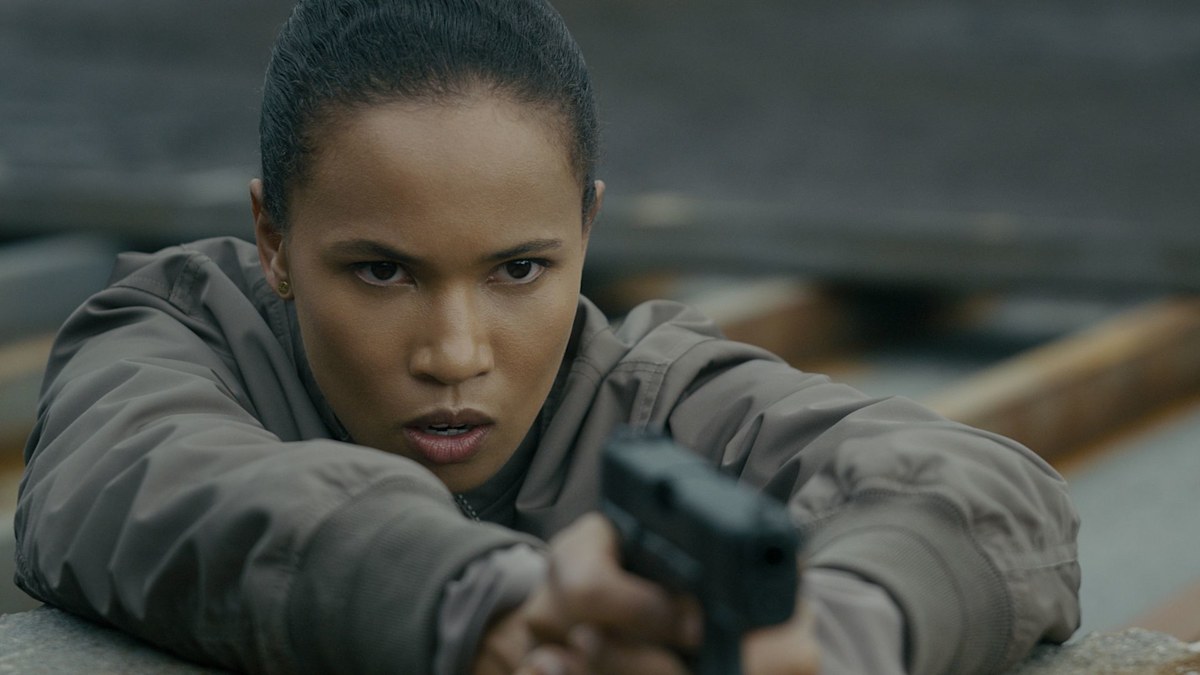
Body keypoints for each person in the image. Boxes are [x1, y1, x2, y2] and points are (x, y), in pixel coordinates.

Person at [13, 1, 1081, 673]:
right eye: (381, 271)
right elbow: (131, 475)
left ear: (587, 232)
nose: (455, 353)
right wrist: (482, 605)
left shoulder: (649, 395)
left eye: (520, 270)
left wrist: (833, 636)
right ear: (273, 239)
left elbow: (989, 490)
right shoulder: (178, 327)